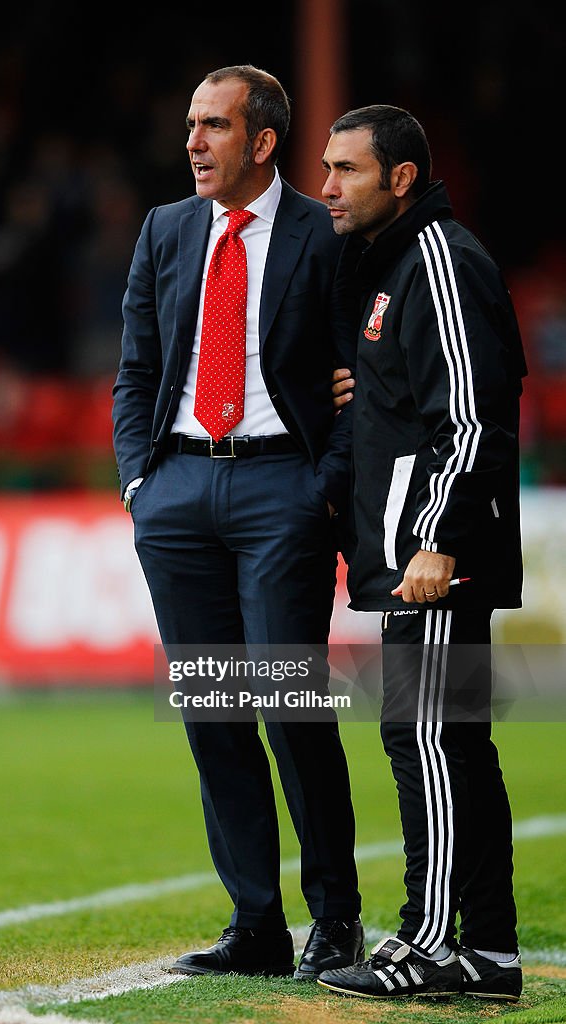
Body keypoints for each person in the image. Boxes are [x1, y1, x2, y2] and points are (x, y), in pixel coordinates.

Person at [111, 65, 363, 980]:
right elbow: (136, 370)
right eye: (190, 125)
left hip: (278, 496)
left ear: (261, 142)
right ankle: (256, 922)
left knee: (291, 708)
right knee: (216, 716)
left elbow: (358, 376)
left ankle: (336, 917)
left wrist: (323, 487)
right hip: (177, 492)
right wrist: (140, 482)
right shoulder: (166, 229)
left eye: (213, 126)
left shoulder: (322, 234)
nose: (193, 142)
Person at [314, 105, 527, 1003]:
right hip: (414, 552)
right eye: (326, 168)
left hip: (433, 557)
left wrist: (436, 537)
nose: (327, 186)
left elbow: (472, 415)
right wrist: (362, 397)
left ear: (401, 178)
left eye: (347, 171)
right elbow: (420, 396)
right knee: (456, 745)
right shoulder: (398, 268)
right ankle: (490, 952)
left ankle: (431, 945)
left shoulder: (437, 259)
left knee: (425, 739)